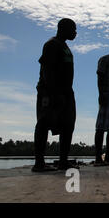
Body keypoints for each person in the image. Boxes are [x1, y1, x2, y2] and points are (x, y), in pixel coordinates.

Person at [33, 18, 77, 172]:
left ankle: (63, 161)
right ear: (63, 28)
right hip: (50, 91)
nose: (75, 33)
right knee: (44, 124)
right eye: (73, 29)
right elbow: (47, 70)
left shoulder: (64, 46)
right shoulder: (52, 44)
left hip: (66, 92)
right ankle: (39, 163)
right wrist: (54, 93)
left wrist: (65, 94)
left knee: (68, 125)